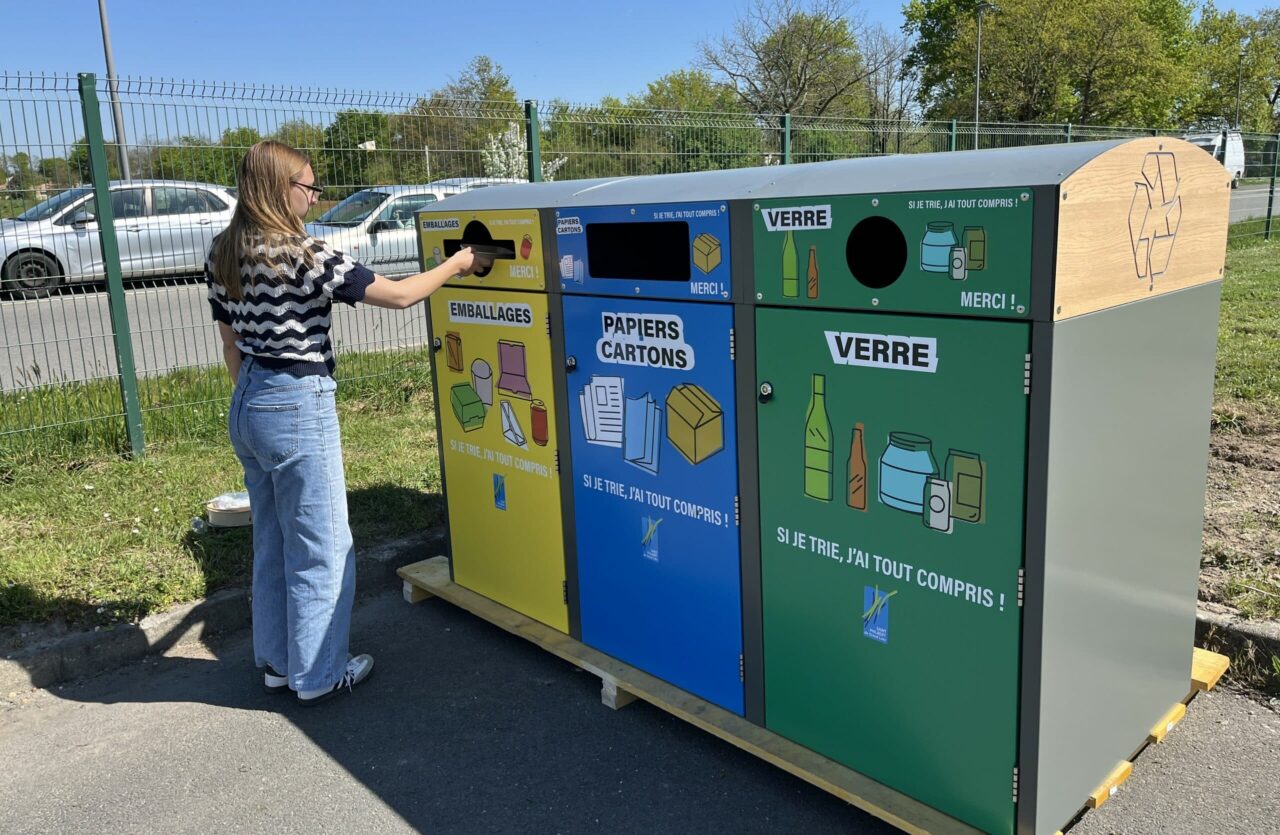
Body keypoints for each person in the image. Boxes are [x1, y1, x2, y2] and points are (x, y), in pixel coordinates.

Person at [206, 140, 479, 706]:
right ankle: (320, 675)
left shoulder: (224, 250)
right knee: (322, 545)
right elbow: (400, 296)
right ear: (280, 188)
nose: (315, 197)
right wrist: (458, 263)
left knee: (273, 540)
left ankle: (280, 663)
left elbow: (230, 343)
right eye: (309, 187)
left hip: (249, 398)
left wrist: (255, 399)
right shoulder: (303, 253)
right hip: (296, 399)